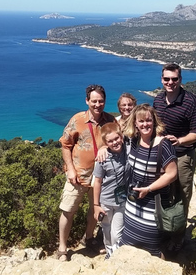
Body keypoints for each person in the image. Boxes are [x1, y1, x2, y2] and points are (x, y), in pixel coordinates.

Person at [57, 84, 116, 261]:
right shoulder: (77, 120)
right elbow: (65, 145)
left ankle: (89, 238)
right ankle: (62, 248)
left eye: (101, 101)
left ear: (105, 101)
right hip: (78, 175)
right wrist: (70, 170)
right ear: (87, 101)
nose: (98, 104)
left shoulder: (110, 121)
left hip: (100, 177)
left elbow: (116, 142)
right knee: (68, 210)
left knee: (94, 209)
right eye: (94, 101)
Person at [152, 63, 196, 254]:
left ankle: (178, 237)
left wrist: (180, 140)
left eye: (174, 79)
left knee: (182, 195)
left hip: (183, 156)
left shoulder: (191, 102)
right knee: (165, 193)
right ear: (162, 80)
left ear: (180, 80)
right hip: (162, 156)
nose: (170, 82)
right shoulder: (158, 101)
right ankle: (165, 229)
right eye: (166, 79)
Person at [119, 103, 178, 258]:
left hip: (154, 205)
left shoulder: (163, 145)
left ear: (154, 121)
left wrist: (149, 188)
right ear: (135, 124)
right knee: (127, 243)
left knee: (153, 247)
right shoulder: (133, 141)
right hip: (133, 203)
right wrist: (104, 149)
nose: (145, 124)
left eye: (148, 120)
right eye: (141, 121)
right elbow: (111, 139)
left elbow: (172, 174)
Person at [92, 122, 129, 259]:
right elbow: (97, 182)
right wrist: (96, 205)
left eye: (116, 138)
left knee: (117, 233)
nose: (115, 142)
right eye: (110, 141)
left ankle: (116, 254)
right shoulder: (103, 158)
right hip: (105, 202)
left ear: (121, 137)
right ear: (105, 143)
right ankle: (109, 252)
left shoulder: (128, 150)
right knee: (106, 230)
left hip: (121, 201)